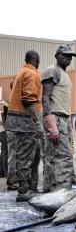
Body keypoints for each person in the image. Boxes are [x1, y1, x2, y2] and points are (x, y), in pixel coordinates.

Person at [5, 50, 43, 201]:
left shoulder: (21, 72)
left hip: (17, 121)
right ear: (36, 60)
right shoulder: (30, 74)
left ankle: (24, 187)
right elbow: (28, 100)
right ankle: (23, 191)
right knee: (25, 156)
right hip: (25, 122)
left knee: (21, 154)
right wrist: (37, 121)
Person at [41, 45, 76, 192]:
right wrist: (52, 126)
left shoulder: (64, 74)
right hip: (56, 118)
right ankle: (61, 194)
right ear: (56, 55)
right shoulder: (52, 70)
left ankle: (50, 191)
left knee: (55, 156)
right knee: (63, 158)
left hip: (64, 119)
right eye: (65, 55)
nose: (68, 58)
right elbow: (45, 98)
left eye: (70, 56)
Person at [0, 101, 7, 178]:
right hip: (2, 132)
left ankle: (2, 172)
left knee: (3, 152)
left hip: (3, 131)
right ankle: (5, 173)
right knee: (5, 152)